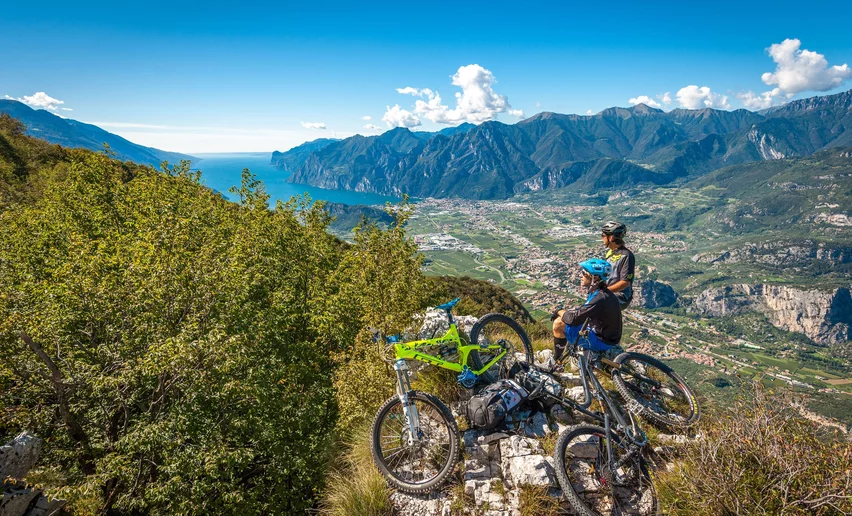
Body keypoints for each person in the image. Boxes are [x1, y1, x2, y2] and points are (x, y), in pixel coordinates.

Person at [550, 258, 623, 363]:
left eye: (584, 273)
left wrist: (559, 311)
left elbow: (573, 319)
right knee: (567, 317)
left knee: (559, 323)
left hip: (601, 341)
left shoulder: (599, 298)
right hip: (604, 336)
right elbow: (584, 312)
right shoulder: (601, 293)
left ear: (595, 277)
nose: (580, 275)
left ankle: (555, 361)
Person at [601, 221, 635, 309]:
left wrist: (604, 292)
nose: (602, 238)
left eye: (603, 235)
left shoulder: (626, 255)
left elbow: (625, 282)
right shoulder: (610, 253)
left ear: (611, 237)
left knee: (597, 304)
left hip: (621, 296)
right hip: (610, 292)